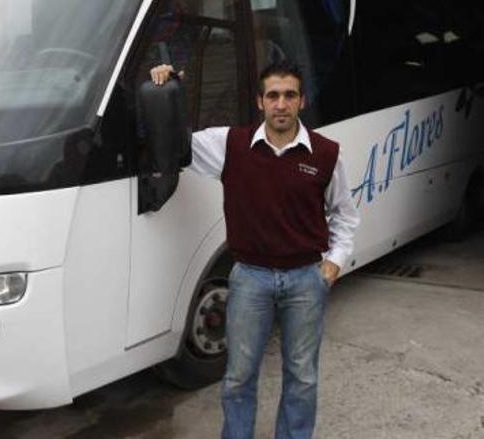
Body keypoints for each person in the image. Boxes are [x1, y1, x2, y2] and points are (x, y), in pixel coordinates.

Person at [150, 61, 360, 439]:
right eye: (273, 96)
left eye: (289, 95)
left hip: (305, 280)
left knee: (303, 376)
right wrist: (169, 87)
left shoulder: (326, 154)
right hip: (249, 278)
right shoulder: (229, 145)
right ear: (260, 102)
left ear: (302, 101)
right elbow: (173, 140)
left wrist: (333, 264)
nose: (281, 104)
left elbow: (345, 214)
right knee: (238, 376)